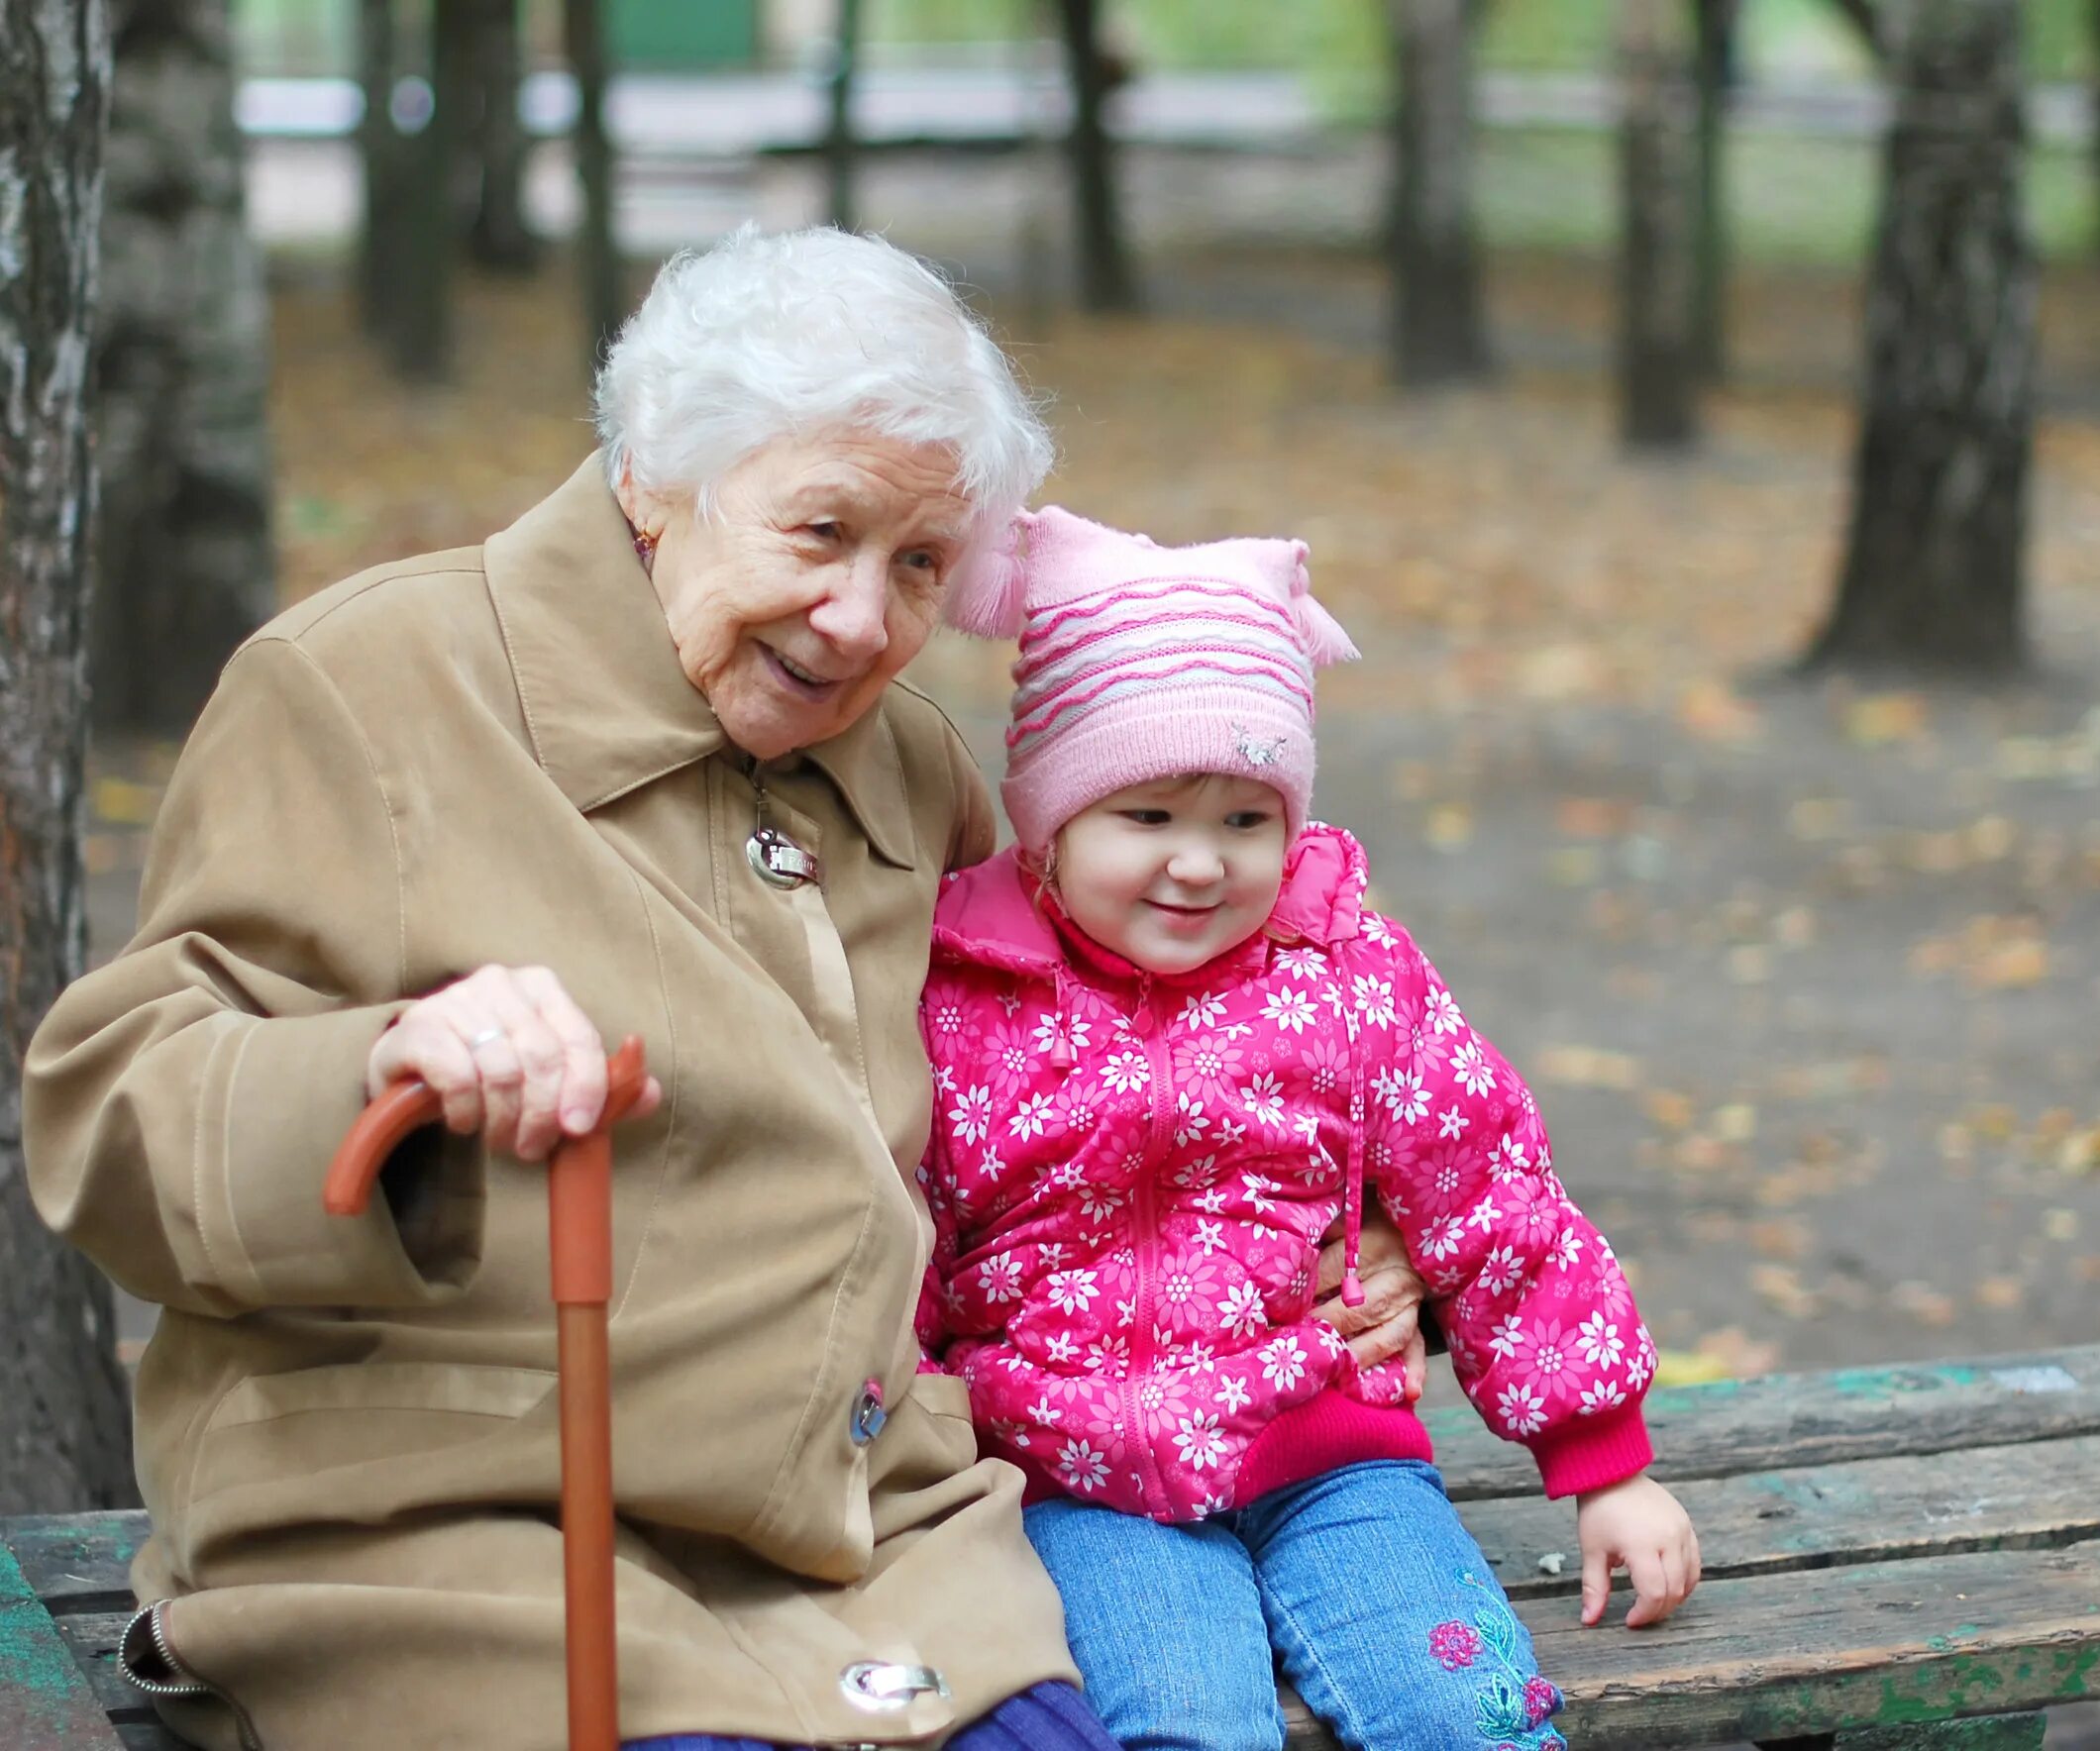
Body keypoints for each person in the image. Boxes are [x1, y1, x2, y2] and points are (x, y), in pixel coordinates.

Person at [24, 227, 1425, 1751]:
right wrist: (381, 1066)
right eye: (820, 532)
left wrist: (1336, 1236)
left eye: (920, 565)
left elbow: (1117, 1062)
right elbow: (112, 1116)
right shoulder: (368, 688)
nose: (862, 619)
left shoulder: (907, 766)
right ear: (651, 475)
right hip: (460, 1537)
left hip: (874, 1541)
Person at [913, 507, 1703, 1751]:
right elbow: (901, 1235)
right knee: (1182, 1723)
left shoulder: (1343, 973)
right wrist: (904, 1449)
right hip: (1082, 1476)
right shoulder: (966, 1000)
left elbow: (1490, 1190)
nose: (1199, 864)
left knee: (1468, 1710)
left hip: (1331, 1454)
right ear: (1048, 823)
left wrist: (1603, 1461)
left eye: (1245, 819)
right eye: (1146, 815)